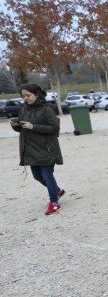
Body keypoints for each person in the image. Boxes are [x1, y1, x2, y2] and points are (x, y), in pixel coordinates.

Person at [11, 83, 65, 215]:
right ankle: (57, 191)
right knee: (37, 176)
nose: (25, 98)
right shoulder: (24, 109)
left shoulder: (46, 109)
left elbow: (54, 128)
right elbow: (23, 126)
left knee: (47, 176)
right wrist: (16, 125)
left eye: (28, 95)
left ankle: (54, 203)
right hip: (31, 149)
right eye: (23, 96)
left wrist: (33, 127)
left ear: (36, 94)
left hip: (46, 149)